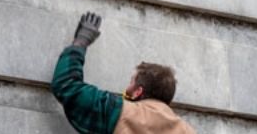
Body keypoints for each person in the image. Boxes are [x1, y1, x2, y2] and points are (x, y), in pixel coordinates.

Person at [52, 12, 196, 134]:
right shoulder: (188, 131)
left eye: (131, 82)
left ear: (138, 91)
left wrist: (80, 42)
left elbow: (67, 85)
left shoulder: (122, 112)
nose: (126, 89)